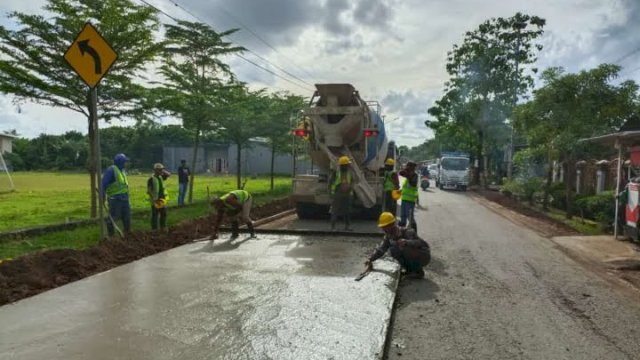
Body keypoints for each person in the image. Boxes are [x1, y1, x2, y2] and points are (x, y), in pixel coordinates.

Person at [364, 212, 431, 279]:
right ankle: (409, 271)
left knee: (404, 248)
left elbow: (422, 244)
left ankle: (418, 272)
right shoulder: (388, 236)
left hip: (424, 256)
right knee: (394, 250)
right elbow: (381, 249)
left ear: (392, 225)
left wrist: (407, 242)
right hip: (414, 254)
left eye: (385, 227)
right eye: (382, 227)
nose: (383, 229)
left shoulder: (407, 232)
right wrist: (370, 259)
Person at [100, 153, 131, 237]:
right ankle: (111, 237)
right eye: (125, 162)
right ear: (121, 162)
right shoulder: (111, 170)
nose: (126, 164)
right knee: (113, 217)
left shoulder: (122, 171)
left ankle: (127, 235)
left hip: (125, 199)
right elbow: (103, 184)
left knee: (127, 218)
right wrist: (102, 196)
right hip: (115, 200)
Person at [328, 155, 354, 231]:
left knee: (347, 211)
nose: (348, 165)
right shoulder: (336, 172)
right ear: (343, 165)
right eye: (347, 164)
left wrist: (351, 189)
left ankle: (347, 226)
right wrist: (331, 193)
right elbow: (330, 183)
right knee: (335, 210)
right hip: (338, 194)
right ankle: (333, 227)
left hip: (347, 194)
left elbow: (352, 182)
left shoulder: (349, 173)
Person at [148, 163, 168, 230]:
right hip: (156, 199)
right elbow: (149, 190)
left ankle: (163, 227)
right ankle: (154, 229)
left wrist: (163, 171)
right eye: (159, 170)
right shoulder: (151, 179)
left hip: (162, 199)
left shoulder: (161, 177)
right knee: (155, 215)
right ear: (155, 170)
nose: (161, 171)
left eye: (161, 170)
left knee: (163, 214)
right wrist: (153, 198)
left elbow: (168, 174)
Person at [398, 161, 419, 229]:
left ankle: (414, 230)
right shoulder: (407, 174)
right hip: (404, 199)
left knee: (409, 216)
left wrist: (408, 175)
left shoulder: (415, 175)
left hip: (410, 200)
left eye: (408, 166)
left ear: (412, 167)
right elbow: (400, 173)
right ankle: (402, 230)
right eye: (407, 166)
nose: (407, 167)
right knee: (403, 216)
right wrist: (405, 170)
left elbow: (413, 184)